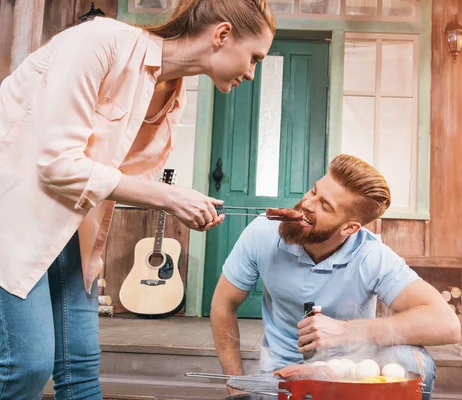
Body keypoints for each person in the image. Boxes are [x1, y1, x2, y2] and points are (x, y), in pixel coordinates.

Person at [0, 1, 275, 399]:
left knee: (80, 368)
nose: (252, 73)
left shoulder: (172, 96)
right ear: (221, 34)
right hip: (14, 216)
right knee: (27, 365)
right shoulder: (100, 42)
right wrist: (167, 197)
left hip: (71, 227)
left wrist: (179, 202)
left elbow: (116, 180)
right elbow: (56, 164)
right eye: (253, 58)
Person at [210, 154, 462, 400]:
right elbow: (223, 305)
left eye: (324, 205)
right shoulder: (262, 233)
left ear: (349, 228)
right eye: (314, 191)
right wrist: (237, 388)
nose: (308, 203)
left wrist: (345, 331)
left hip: (347, 377)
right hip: (278, 376)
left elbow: (447, 324)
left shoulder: (371, 256)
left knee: (414, 361)